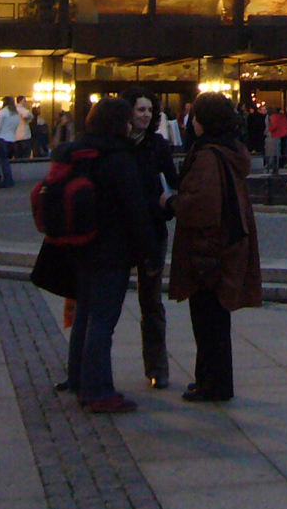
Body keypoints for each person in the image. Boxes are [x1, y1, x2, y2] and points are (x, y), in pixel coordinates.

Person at [60, 96, 157, 414]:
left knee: (85, 315)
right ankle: (97, 390)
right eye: (128, 119)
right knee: (103, 320)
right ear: (119, 123)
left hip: (78, 246)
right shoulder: (118, 158)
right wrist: (148, 254)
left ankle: (77, 378)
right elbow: (135, 211)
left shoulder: (76, 152)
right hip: (111, 250)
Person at [168, 91, 262, 403]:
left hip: (208, 249)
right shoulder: (229, 150)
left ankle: (214, 384)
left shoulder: (208, 155)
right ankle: (208, 379)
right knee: (214, 320)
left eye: (195, 116)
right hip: (225, 245)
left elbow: (201, 206)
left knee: (208, 320)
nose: (191, 122)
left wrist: (172, 202)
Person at [124, 89, 179, 390]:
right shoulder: (117, 145)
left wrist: (170, 201)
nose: (145, 115)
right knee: (106, 302)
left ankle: (157, 368)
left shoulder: (158, 144)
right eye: (139, 109)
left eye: (149, 110)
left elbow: (172, 180)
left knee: (152, 301)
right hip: (120, 232)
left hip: (153, 230)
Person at [0, 96, 24, 187]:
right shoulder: (16, 114)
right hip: (11, 140)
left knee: (3, 161)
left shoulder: (3, 112)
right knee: (4, 160)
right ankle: (8, 179)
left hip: (2, 139)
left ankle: (7, 180)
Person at [265, 106, 287, 174]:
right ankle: (282, 163)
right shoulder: (281, 116)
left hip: (280, 134)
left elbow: (274, 126)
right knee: (282, 149)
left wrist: (268, 130)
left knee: (278, 150)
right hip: (285, 133)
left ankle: (278, 165)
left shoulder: (274, 117)